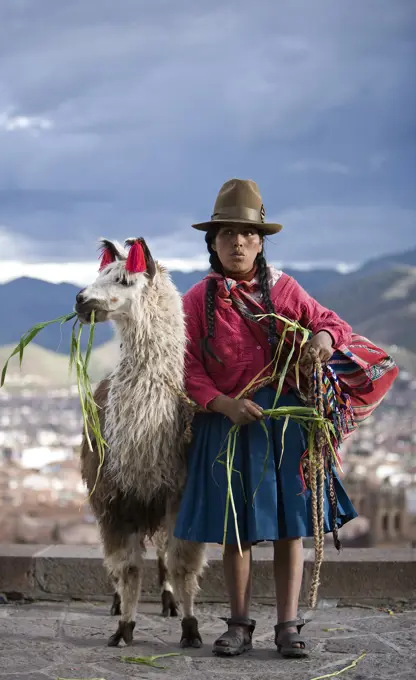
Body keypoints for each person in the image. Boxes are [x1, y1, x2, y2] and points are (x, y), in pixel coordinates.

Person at [174, 178, 358, 658]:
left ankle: (287, 625)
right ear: (212, 243)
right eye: (227, 233)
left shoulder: (284, 290)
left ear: (260, 242)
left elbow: (332, 323)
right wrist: (223, 404)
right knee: (237, 529)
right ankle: (238, 623)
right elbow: (188, 368)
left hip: (285, 427)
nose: (238, 242)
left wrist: (322, 339)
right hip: (229, 425)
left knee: (288, 527)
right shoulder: (198, 302)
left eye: (248, 234)